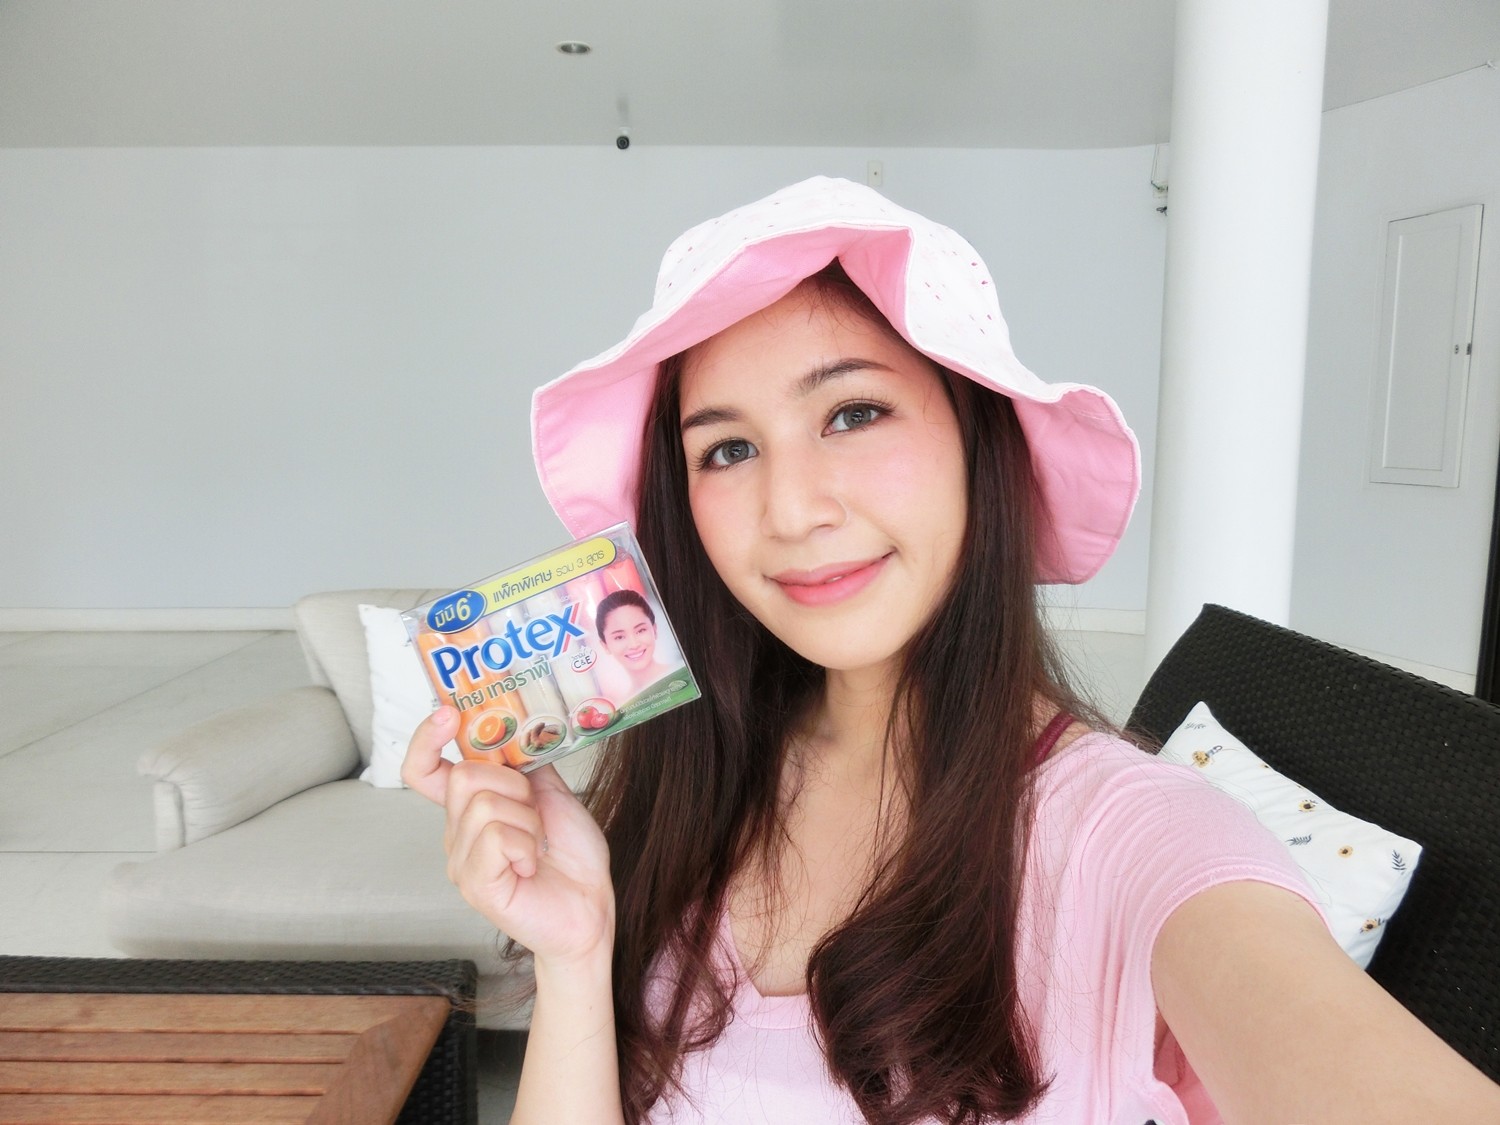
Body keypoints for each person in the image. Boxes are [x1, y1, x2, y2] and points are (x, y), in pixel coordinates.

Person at [403, 177, 1500, 1123]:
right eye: (728, 449)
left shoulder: (1129, 831)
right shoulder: (694, 779)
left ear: (980, 446)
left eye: (853, 414)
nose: (791, 509)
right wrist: (577, 948)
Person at [594, 589, 676, 697]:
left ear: (654, 630)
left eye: (640, 630)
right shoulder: (622, 705)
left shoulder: (680, 671)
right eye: (619, 637)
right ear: (605, 646)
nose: (634, 645)